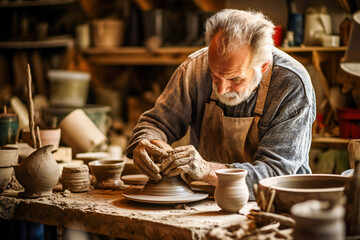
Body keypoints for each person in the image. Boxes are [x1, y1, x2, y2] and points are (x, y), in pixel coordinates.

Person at [125, 9, 316, 200]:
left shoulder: (291, 84)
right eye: (215, 76)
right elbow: (156, 123)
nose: (222, 90)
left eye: (235, 79)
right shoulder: (195, 68)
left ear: (263, 66)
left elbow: (276, 175)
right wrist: (148, 143)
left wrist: (207, 170)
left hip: (272, 204)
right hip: (207, 199)